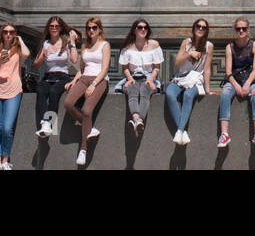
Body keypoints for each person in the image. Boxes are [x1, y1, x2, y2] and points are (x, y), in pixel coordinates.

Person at [63, 17, 110, 165]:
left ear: (99, 29)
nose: (91, 30)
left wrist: (94, 84)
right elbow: (82, 69)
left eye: (94, 28)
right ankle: (89, 128)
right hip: (84, 78)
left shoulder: (105, 45)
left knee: (87, 111)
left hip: (99, 80)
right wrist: (74, 80)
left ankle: (83, 150)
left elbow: (105, 68)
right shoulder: (85, 46)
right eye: (89, 28)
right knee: (68, 103)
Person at [0, 23, 30, 170]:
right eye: (5, 32)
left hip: (13, 90)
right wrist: (0, 62)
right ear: (1, 34)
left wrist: (20, 40)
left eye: (11, 32)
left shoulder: (18, 50)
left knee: (7, 127)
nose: (8, 34)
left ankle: (6, 160)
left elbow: (27, 54)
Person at [165, 18, 213, 146]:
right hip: (181, 77)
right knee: (170, 93)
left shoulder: (209, 46)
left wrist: (207, 89)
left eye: (204, 27)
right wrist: (189, 53)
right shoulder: (186, 42)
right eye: (198, 26)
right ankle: (183, 131)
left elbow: (207, 69)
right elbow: (177, 63)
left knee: (188, 95)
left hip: (197, 79)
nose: (201, 29)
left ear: (206, 31)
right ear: (194, 28)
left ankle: (179, 131)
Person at [218, 17, 255, 148]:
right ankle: (224, 134)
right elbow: (228, 71)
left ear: (248, 30)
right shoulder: (230, 47)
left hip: (250, 80)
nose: (241, 31)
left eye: (244, 28)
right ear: (235, 30)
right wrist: (237, 86)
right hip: (234, 81)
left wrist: (247, 84)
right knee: (225, 93)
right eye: (238, 29)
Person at [33, 16, 77, 138]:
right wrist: (43, 55)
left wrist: (72, 42)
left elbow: (74, 59)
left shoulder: (65, 42)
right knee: (41, 90)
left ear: (61, 28)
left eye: (56, 26)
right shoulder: (45, 43)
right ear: (48, 28)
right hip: (48, 76)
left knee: (53, 92)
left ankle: (49, 122)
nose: (54, 28)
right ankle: (45, 122)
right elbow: (36, 65)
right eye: (51, 26)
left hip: (62, 76)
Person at [119, 18, 163, 135]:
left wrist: (151, 79)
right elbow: (125, 68)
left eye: (145, 27)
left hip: (148, 77)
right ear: (134, 30)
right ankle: (137, 119)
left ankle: (138, 119)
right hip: (133, 77)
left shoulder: (154, 45)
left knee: (145, 90)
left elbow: (157, 67)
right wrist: (130, 79)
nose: (143, 29)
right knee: (132, 90)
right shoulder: (128, 47)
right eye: (140, 27)